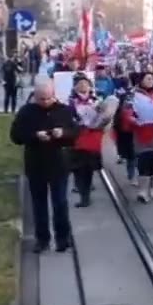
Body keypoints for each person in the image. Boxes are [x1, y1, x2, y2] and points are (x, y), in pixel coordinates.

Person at [10, 78, 80, 253]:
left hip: (59, 163)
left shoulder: (64, 110)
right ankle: (42, 239)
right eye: (42, 99)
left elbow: (75, 133)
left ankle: (63, 237)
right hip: (36, 164)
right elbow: (16, 136)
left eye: (49, 98)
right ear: (35, 96)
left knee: (60, 202)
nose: (46, 102)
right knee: (39, 204)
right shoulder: (27, 112)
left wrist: (63, 133)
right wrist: (35, 136)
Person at [124, 71, 153, 203]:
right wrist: (134, 121)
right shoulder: (132, 94)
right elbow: (126, 111)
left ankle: (152, 188)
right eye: (148, 78)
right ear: (141, 80)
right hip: (141, 131)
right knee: (143, 159)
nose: (151, 81)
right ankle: (142, 190)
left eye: (152, 78)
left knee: (152, 160)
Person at [67, 73, 104, 208]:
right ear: (75, 87)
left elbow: (105, 118)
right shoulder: (70, 102)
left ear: (90, 86)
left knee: (88, 169)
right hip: (77, 138)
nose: (83, 86)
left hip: (92, 138)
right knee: (76, 168)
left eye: (85, 83)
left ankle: (85, 196)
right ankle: (81, 190)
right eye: (80, 84)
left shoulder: (97, 101)